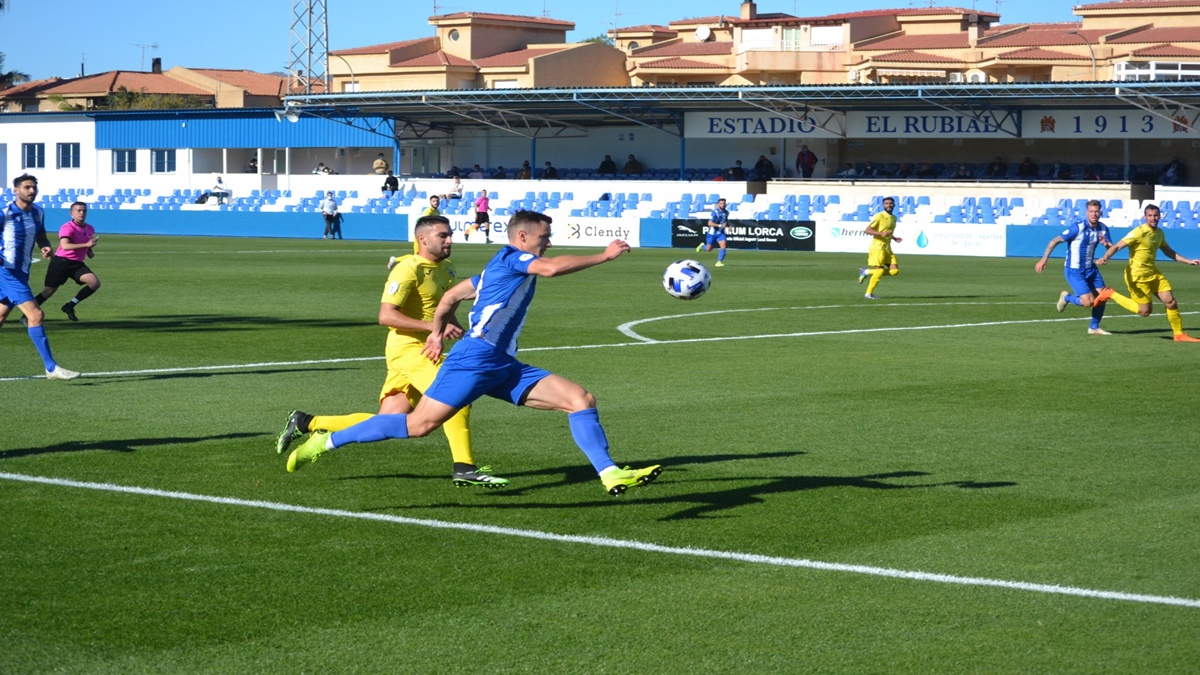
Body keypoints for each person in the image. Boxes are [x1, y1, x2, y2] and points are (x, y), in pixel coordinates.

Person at [285, 210, 663, 497]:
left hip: (501, 363)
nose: (548, 242)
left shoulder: (496, 269)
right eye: (544, 238)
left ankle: (609, 473)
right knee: (418, 426)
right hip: (476, 358)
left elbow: (450, 296)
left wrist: (436, 333)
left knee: (580, 399)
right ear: (522, 237)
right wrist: (604, 256)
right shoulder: (514, 259)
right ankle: (325, 441)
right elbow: (548, 270)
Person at [276, 215, 509, 487]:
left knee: (389, 420)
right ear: (422, 239)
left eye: (449, 235)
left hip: (425, 349)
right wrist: (434, 327)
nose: (449, 240)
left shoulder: (447, 267)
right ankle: (464, 468)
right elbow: (386, 316)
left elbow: (440, 306)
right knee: (455, 398)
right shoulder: (407, 269)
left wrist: (451, 325)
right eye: (442, 236)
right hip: (407, 349)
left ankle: (307, 422)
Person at [0, 174, 80, 380]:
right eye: (27, 187)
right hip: (6, 271)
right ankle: (51, 368)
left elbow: (41, 235)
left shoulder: (38, 212)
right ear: (15, 190)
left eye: (34, 187)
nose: (32, 191)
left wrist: (45, 247)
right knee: (35, 315)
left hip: (22, 270)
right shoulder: (5, 213)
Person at [1096, 203, 1200, 342]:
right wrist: (1105, 257)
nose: (1153, 218)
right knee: (1144, 312)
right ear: (1144, 217)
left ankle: (1179, 334)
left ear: (1160, 216)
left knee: (1170, 301)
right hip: (1137, 276)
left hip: (1153, 273)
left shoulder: (1159, 233)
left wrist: (1188, 261)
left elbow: (1168, 251)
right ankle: (1110, 293)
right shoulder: (1138, 232)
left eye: (1156, 215)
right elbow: (1118, 246)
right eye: (1150, 215)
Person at [1033, 199, 1114, 335]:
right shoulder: (1078, 227)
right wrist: (1044, 259)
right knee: (1088, 302)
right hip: (1074, 270)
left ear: (1100, 213)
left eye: (1096, 211)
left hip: (1091, 270)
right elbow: (1054, 241)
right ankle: (1066, 298)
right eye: (1091, 211)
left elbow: (1111, 248)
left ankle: (1094, 328)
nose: (1094, 214)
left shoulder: (1103, 229)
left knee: (1103, 297)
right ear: (1086, 212)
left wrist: (1106, 247)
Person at [33, 201, 101, 322]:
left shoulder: (90, 228)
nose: (82, 213)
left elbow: (86, 244)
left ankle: (69, 306)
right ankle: (28, 314)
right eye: (78, 210)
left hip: (76, 264)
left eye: (84, 210)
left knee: (94, 283)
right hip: (61, 262)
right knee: (49, 291)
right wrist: (86, 244)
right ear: (71, 213)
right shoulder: (67, 227)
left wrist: (89, 250)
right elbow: (65, 245)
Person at [858, 196, 902, 300]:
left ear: (894, 205)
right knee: (879, 271)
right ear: (883, 205)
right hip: (877, 247)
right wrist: (881, 233)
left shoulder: (894, 218)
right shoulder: (879, 216)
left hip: (887, 248)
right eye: (886, 203)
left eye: (890, 203)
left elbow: (887, 232)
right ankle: (868, 294)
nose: (889, 205)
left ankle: (867, 272)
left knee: (894, 271)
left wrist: (894, 238)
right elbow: (867, 230)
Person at [695, 197, 729, 268]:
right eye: (721, 203)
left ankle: (719, 262)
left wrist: (728, 226)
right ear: (718, 204)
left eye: (724, 203)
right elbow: (709, 223)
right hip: (712, 233)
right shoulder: (715, 212)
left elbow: (725, 221)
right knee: (708, 249)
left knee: (724, 246)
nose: (722, 205)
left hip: (721, 233)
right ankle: (702, 246)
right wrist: (720, 225)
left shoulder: (726, 212)